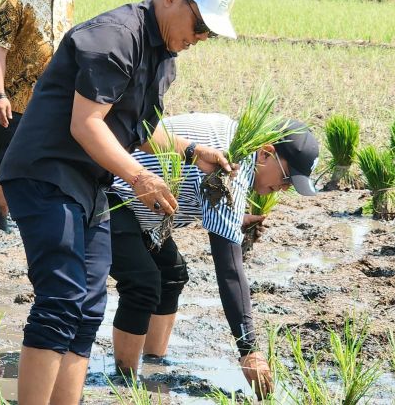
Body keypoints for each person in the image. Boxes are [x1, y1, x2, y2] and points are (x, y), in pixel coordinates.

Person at [0, 0, 239, 405]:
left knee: (88, 308)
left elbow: (140, 126)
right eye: (200, 25)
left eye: (208, 33)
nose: (200, 38)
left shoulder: (163, 56)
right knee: (61, 299)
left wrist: (192, 151)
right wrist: (139, 176)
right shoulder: (114, 37)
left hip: (90, 186)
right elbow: (86, 125)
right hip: (46, 176)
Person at [107, 113, 320, 399]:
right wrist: (249, 351)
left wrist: (236, 220)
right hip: (106, 194)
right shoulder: (229, 169)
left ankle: (153, 366)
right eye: (287, 179)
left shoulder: (235, 140)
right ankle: (124, 381)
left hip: (139, 212)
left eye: (291, 187)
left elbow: (195, 193)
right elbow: (229, 269)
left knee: (172, 275)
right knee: (143, 283)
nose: (284, 189)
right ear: (266, 153)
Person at [0, 0, 88, 232]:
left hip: (55, 100)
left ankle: (35, 216)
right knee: (7, 165)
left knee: (50, 162)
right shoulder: (15, 0)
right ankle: (1, 223)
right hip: (16, 102)